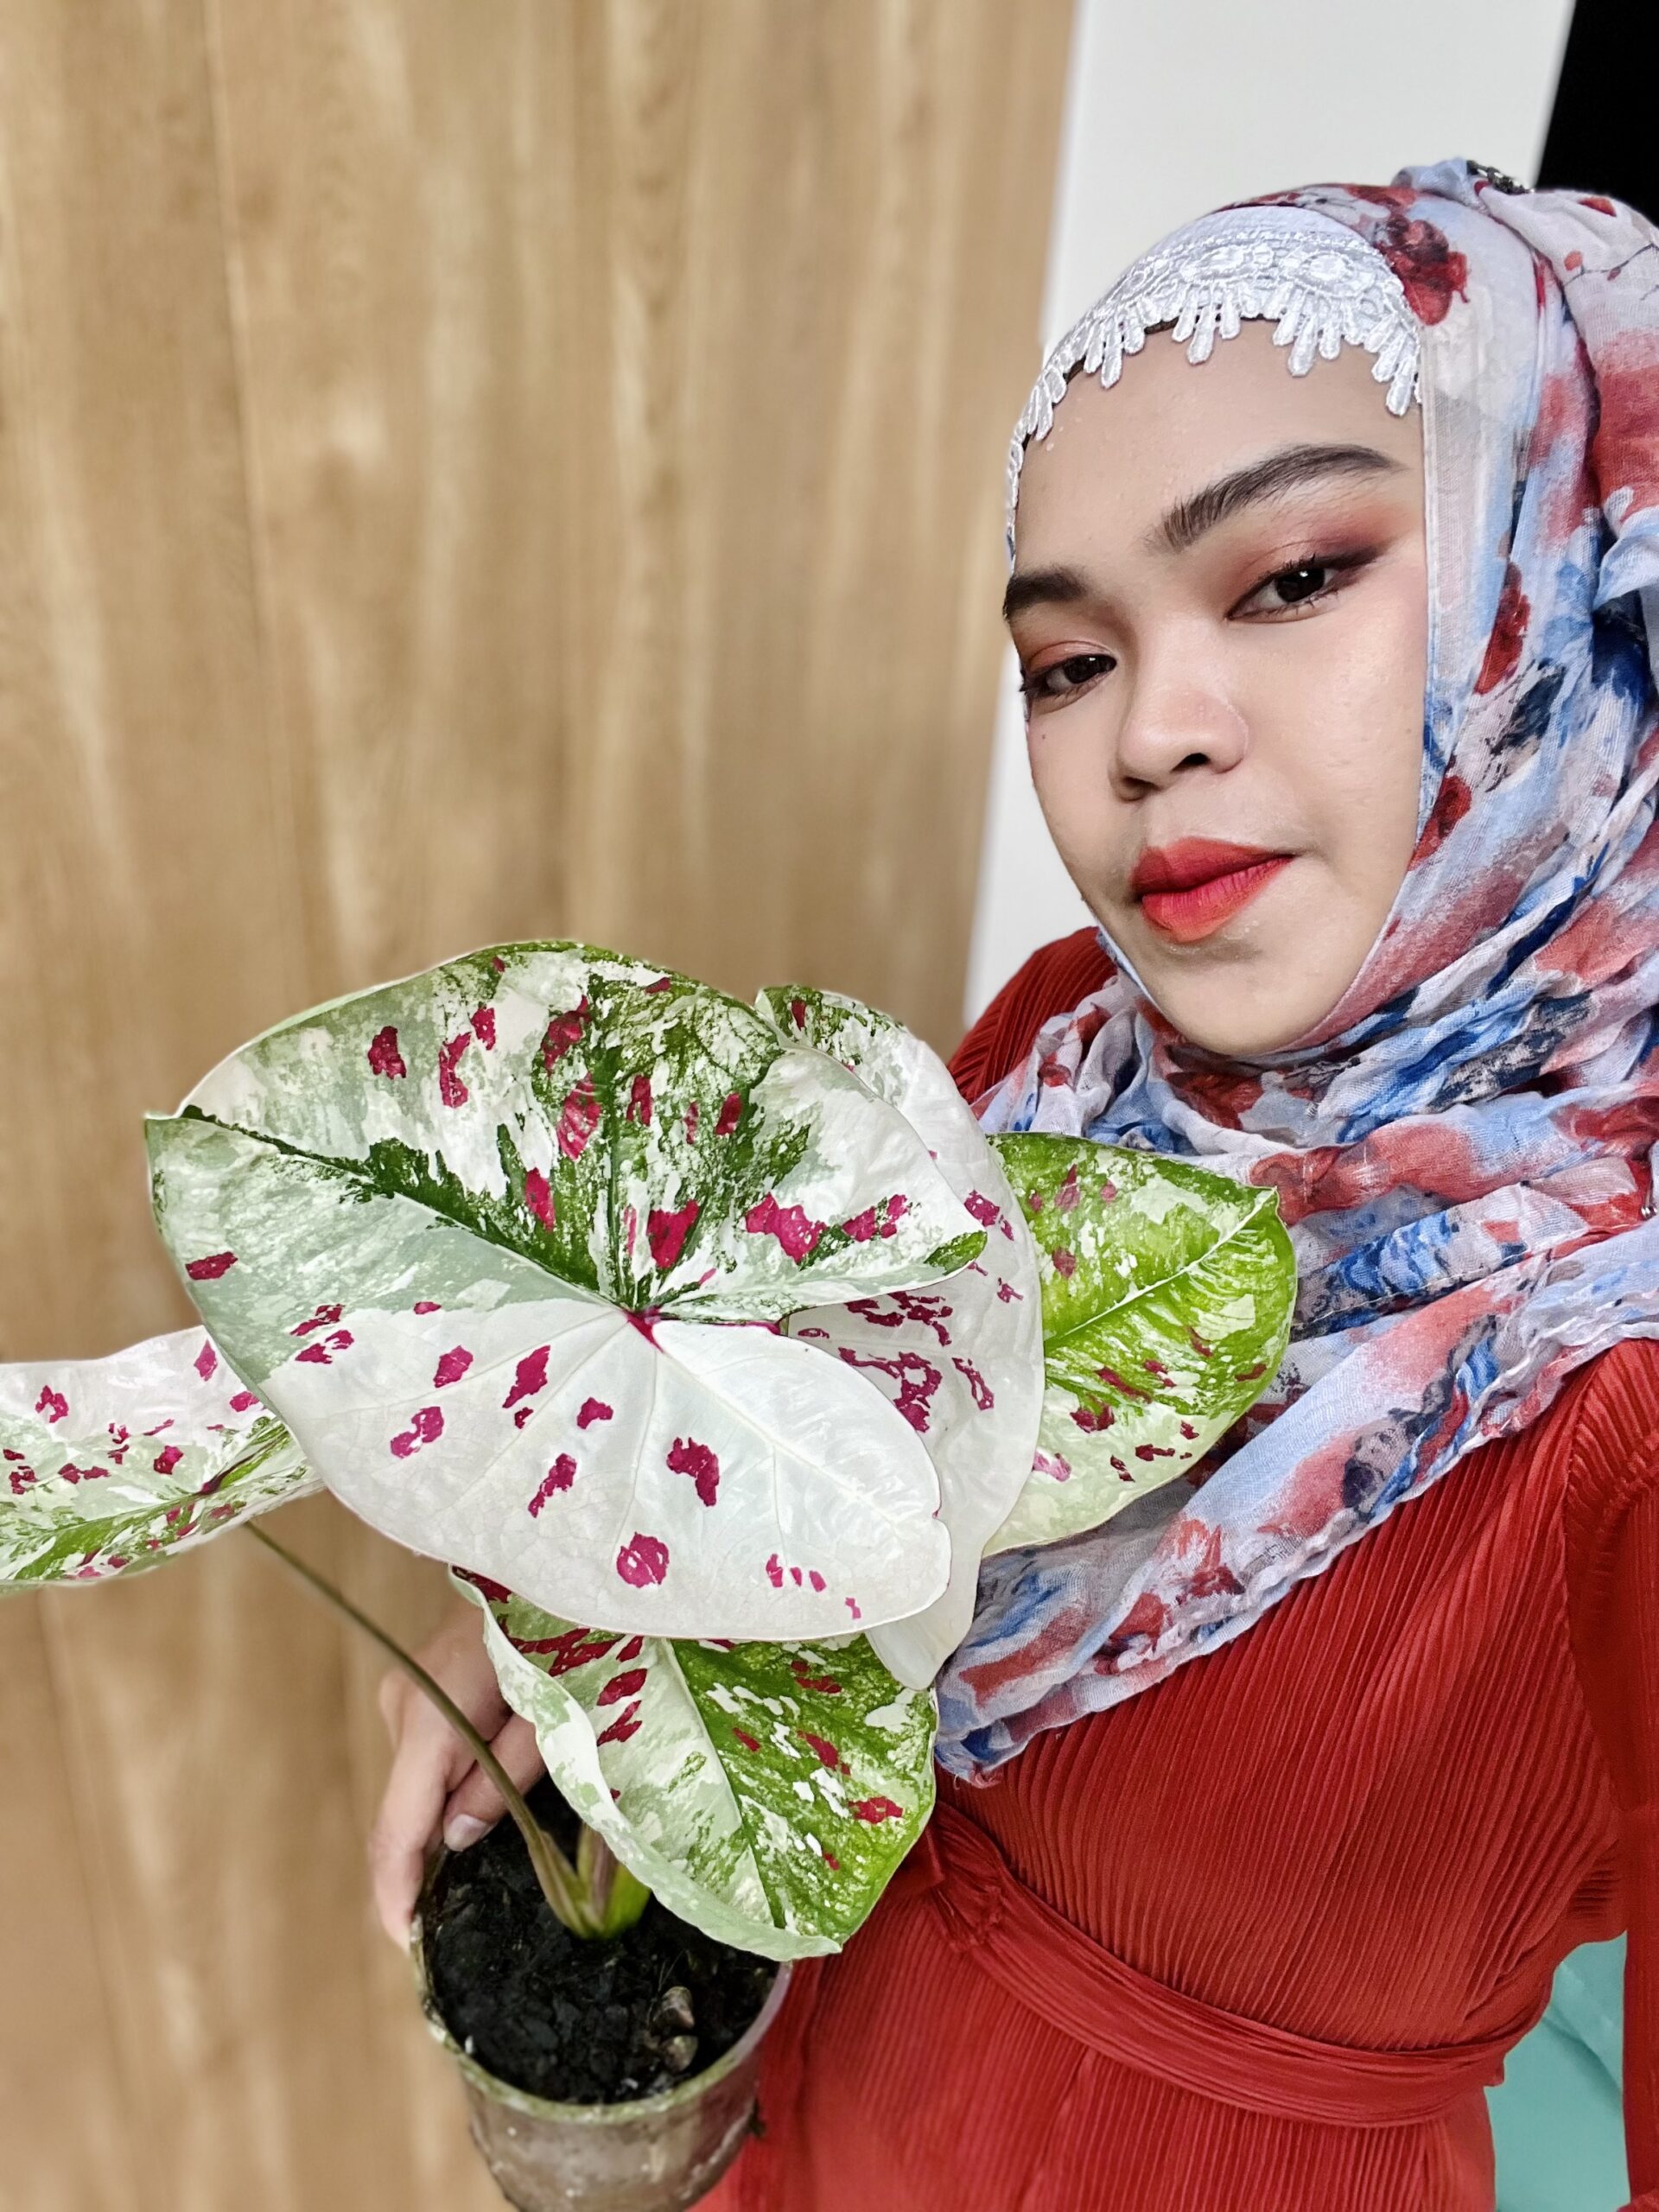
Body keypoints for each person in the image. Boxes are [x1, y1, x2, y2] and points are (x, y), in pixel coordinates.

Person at [370, 162, 1659, 2210]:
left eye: (1292, 576)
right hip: (807, 2065)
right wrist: (570, 1624)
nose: (1150, 733)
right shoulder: (1075, 1032)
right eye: (1066, 660)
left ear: (1561, 566)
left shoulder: (1620, 1388)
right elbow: (801, 1421)